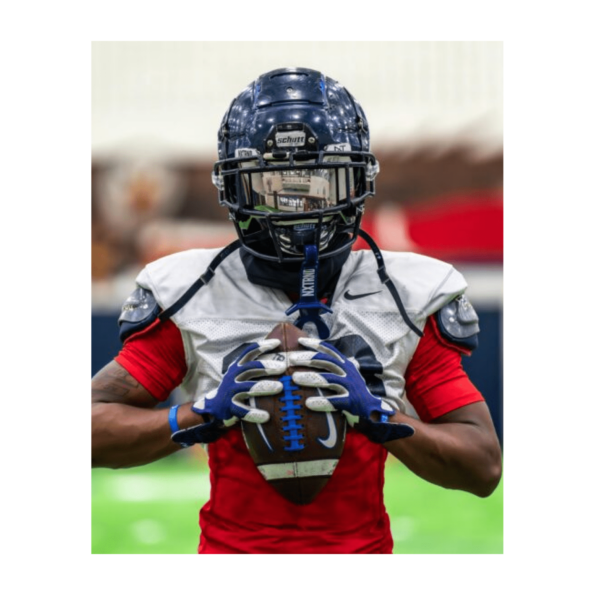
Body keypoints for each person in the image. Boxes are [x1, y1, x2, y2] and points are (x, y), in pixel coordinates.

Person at [91, 67, 502, 554]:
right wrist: (196, 415)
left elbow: (483, 466)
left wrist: (382, 417)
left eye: (320, 183)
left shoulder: (401, 293)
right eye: (272, 185)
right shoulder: (192, 289)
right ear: (235, 189)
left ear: (357, 183)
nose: (299, 206)